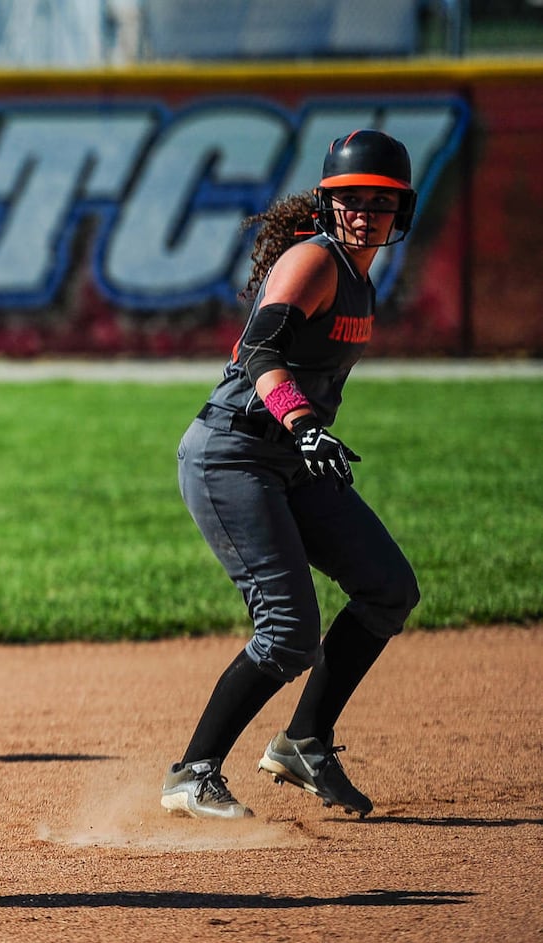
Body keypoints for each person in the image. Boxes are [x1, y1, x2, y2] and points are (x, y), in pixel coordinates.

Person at [160, 130, 422, 821]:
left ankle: (305, 741)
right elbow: (258, 351)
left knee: (388, 589)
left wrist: (304, 434)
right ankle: (192, 773)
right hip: (232, 454)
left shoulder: (362, 276)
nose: (365, 212)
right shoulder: (315, 262)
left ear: (403, 210)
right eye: (351, 198)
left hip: (289, 457)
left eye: (382, 200)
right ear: (327, 205)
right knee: (288, 632)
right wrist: (305, 423)